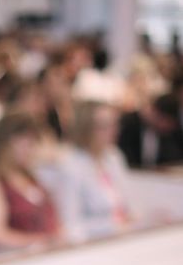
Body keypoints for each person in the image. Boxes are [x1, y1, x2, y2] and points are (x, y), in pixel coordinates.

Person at [0, 112, 61, 250]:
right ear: (4, 144)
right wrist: (39, 242)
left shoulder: (32, 179)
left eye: (33, 143)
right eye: (25, 143)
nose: (30, 149)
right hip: (15, 260)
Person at [57, 101, 137, 240]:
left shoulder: (114, 156)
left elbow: (128, 204)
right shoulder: (71, 166)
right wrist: (112, 226)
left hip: (124, 237)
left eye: (115, 124)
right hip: (96, 243)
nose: (114, 130)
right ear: (85, 129)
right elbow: (71, 225)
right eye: (104, 126)